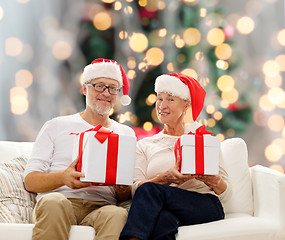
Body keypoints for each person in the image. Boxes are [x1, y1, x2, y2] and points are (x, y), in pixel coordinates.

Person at [24, 58, 135, 240]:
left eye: (113, 88)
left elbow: (124, 195)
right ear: (85, 88)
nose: (106, 93)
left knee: (118, 215)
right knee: (53, 202)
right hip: (60, 200)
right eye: (99, 86)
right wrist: (63, 178)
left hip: (101, 207)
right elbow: (30, 181)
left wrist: (122, 188)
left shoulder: (126, 133)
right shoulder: (56, 125)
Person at [120, 73, 232, 240]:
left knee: (150, 190)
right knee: (164, 220)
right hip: (163, 207)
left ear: (186, 105)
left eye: (170, 99)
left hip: (204, 206)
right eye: (159, 99)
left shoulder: (202, 139)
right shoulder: (145, 145)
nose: (162, 106)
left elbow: (226, 193)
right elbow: (136, 189)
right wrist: (166, 178)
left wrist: (213, 180)